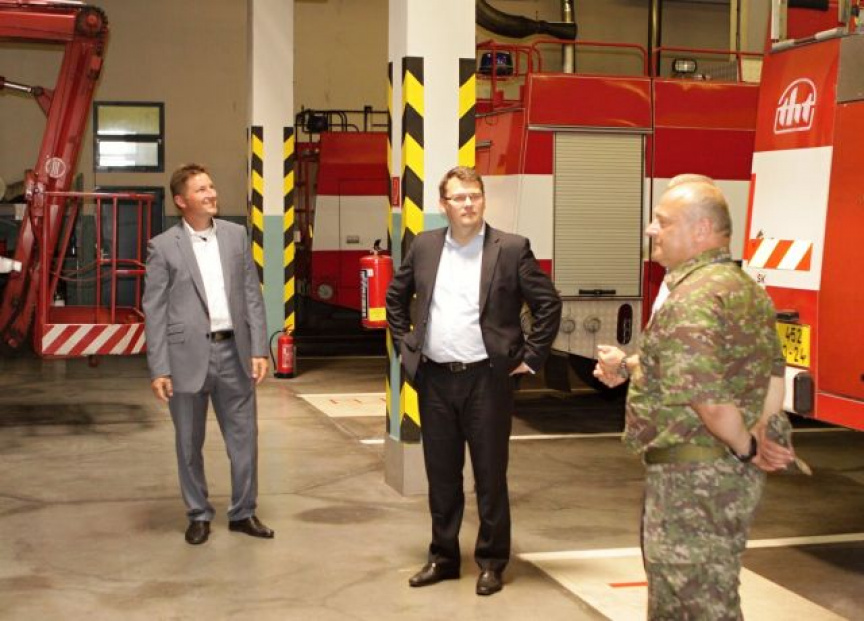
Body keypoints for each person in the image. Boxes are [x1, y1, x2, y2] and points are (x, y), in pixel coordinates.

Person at [593, 179, 796, 619]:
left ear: (701, 229)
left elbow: (710, 401)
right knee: (708, 589)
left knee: (691, 600)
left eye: (663, 222)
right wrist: (760, 433)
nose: (651, 230)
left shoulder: (693, 298)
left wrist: (748, 447)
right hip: (719, 476)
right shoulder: (744, 288)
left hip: (694, 480)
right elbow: (773, 374)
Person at [386, 166, 562, 596]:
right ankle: (444, 557)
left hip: (487, 380)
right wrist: (407, 347)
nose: (468, 204)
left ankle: (492, 562)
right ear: (443, 204)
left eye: (474, 196)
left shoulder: (511, 248)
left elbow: (548, 304)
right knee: (442, 475)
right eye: (459, 197)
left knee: (489, 475)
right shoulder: (425, 246)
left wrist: (531, 359)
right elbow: (395, 296)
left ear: (483, 199)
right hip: (435, 380)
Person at [143, 163, 274, 545]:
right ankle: (198, 514)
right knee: (188, 442)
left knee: (244, 438)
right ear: (182, 201)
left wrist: (259, 347)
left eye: (212, 186)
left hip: (234, 352)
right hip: (185, 358)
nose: (211, 194)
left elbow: (251, 294)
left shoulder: (236, 236)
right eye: (201, 189)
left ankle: (243, 512)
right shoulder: (163, 246)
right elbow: (154, 310)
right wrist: (159, 367)